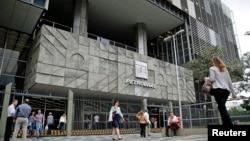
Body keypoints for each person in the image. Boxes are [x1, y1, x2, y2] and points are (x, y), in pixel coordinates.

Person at [209, 57, 237, 125]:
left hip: (218, 90)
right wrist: (233, 94)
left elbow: (212, 79)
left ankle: (229, 124)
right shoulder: (225, 70)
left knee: (222, 107)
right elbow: (230, 82)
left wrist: (208, 79)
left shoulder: (212, 68)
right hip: (226, 91)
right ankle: (225, 123)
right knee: (221, 107)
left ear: (213, 62)